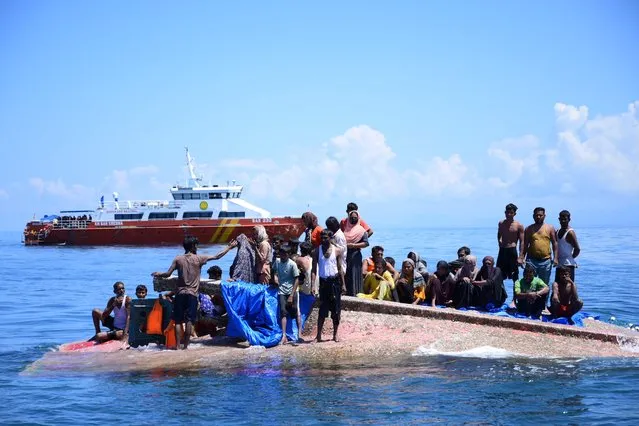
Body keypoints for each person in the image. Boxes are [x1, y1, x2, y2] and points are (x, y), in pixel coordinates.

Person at [151, 236, 228, 349]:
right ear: (193, 246)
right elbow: (217, 256)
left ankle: (177, 346)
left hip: (180, 294)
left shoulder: (178, 259)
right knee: (189, 321)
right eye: (196, 245)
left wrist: (159, 274)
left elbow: (167, 274)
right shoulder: (198, 258)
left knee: (177, 321)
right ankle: (185, 346)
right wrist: (229, 247)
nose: (197, 247)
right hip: (192, 295)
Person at [311, 229, 347, 342]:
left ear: (331, 238)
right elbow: (313, 270)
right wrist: (313, 285)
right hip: (323, 283)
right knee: (322, 310)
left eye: (326, 237)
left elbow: (340, 268)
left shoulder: (337, 250)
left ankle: (335, 334)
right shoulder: (316, 251)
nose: (323, 240)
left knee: (336, 310)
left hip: (335, 282)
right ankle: (318, 335)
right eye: (322, 238)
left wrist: (343, 284)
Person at [273, 245, 302, 345]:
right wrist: (275, 277)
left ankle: (299, 334)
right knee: (283, 312)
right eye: (281, 254)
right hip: (281, 291)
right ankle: (284, 335)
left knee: (296, 312)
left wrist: (291, 295)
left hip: (292, 291)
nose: (282, 256)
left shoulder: (292, 264)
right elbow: (274, 271)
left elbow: (297, 279)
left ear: (288, 254)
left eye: (284, 254)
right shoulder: (277, 262)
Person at [522, 207, 558, 288]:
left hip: (545, 261)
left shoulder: (550, 228)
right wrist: (521, 257)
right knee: (529, 283)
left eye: (540, 215)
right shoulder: (529, 228)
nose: (538, 217)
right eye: (536, 215)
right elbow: (525, 245)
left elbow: (555, 243)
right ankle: (530, 300)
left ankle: (543, 301)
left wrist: (555, 258)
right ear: (533, 216)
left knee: (544, 285)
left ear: (544, 216)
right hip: (531, 261)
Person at [497, 203, 525, 286]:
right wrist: (499, 242)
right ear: (505, 212)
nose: (509, 214)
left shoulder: (519, 225)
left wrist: (520, 257)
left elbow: (522, 242)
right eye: (507, 212)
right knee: (499, 275)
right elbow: (499, 234)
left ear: (514, 214)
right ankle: (500, 297)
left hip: (512, 251)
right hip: (502, 251)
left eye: (511, 213)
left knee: (515, 276)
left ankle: (515, 298)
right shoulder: (501, 223)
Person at [343, 210, 369, 296]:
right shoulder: (345, 229)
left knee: (355, 273)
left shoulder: (361, 230)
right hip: (345, 254)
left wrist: (354, 245)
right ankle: (346, 291)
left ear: (358, 218)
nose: (353, 219)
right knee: (346, 273)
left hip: (355, 254)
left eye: (355, 218)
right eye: (351, 218)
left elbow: (366, 243)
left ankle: (355, 293)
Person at [556, 210, 580, 282]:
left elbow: (577, 249)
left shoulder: (570, 232)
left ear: (569, 220)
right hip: (559, 264)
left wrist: (570, 257)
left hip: (568, 265)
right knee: (558, 286)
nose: (563, 221)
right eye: (561, 219)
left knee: (568, 287)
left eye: (565, 219)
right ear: (559, 219)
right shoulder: (557, 231)